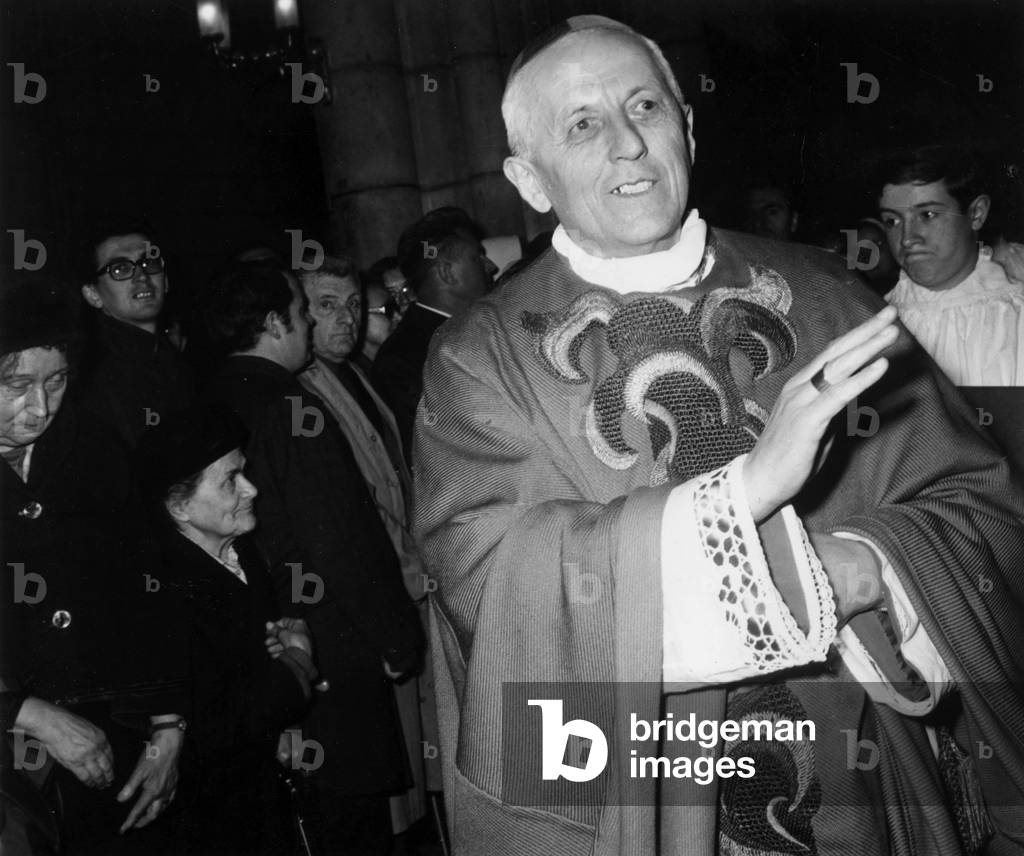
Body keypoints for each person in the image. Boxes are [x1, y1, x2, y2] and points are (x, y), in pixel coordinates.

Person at [414, 16, 1024, 856]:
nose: (627, 144)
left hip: (868, 772)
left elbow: (984, 503)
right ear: (530, 179)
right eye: (583, 125)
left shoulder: (826, 293)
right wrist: (742, 502)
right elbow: (489, 599)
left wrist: (871, 566)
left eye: (645, 107)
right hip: (648, 792)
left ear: (687, 128)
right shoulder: (481, 356)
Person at [201, 262, 425, 856]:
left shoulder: (210, 395)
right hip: (328, 645)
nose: (311, 325)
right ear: (276, 323)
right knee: (353, 827)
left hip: (257, 646)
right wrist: (396, 636)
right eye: (304, 313)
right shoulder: (291, 406)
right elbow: (342, 538)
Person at [0, 276, 185, 855]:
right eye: (15, 385)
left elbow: (149, 586)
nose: (40, 408)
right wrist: (29, 714)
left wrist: (168, 726)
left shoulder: (91, 444)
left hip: (112, 749)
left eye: (55, 383)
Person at [135, 406, 318, 855]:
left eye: (245, 473)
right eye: (230, 480)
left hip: (255, 793)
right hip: (209, 817)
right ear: (179, 506)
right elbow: (219, 720)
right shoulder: (164, 589)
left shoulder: (241, 553)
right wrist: (299, 663)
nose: (251, 489)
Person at [297, 256, 436, 845]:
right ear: (298, 312)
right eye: (327, 306)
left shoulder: (358, 372)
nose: (346, 318)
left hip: (407, 581)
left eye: (353, 304)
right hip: (374, 597)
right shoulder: (303, 389)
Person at [878, 146, 1024, 386]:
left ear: (976, 214)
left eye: (927, 215)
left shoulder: (1014, 318)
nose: (906, 238)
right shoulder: (874, 315)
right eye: (892, 220)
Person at [373, 208, 498, 458]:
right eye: (478, 257)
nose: (491, 266)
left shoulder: (481, 328)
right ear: (447, 273)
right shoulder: (402, 360)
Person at [75, 220, 194, 447]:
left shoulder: (169, 358)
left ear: (166, 281)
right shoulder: (96, 372)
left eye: (149, 263)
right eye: (120, 269)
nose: (141, 276)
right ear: (93, 295)